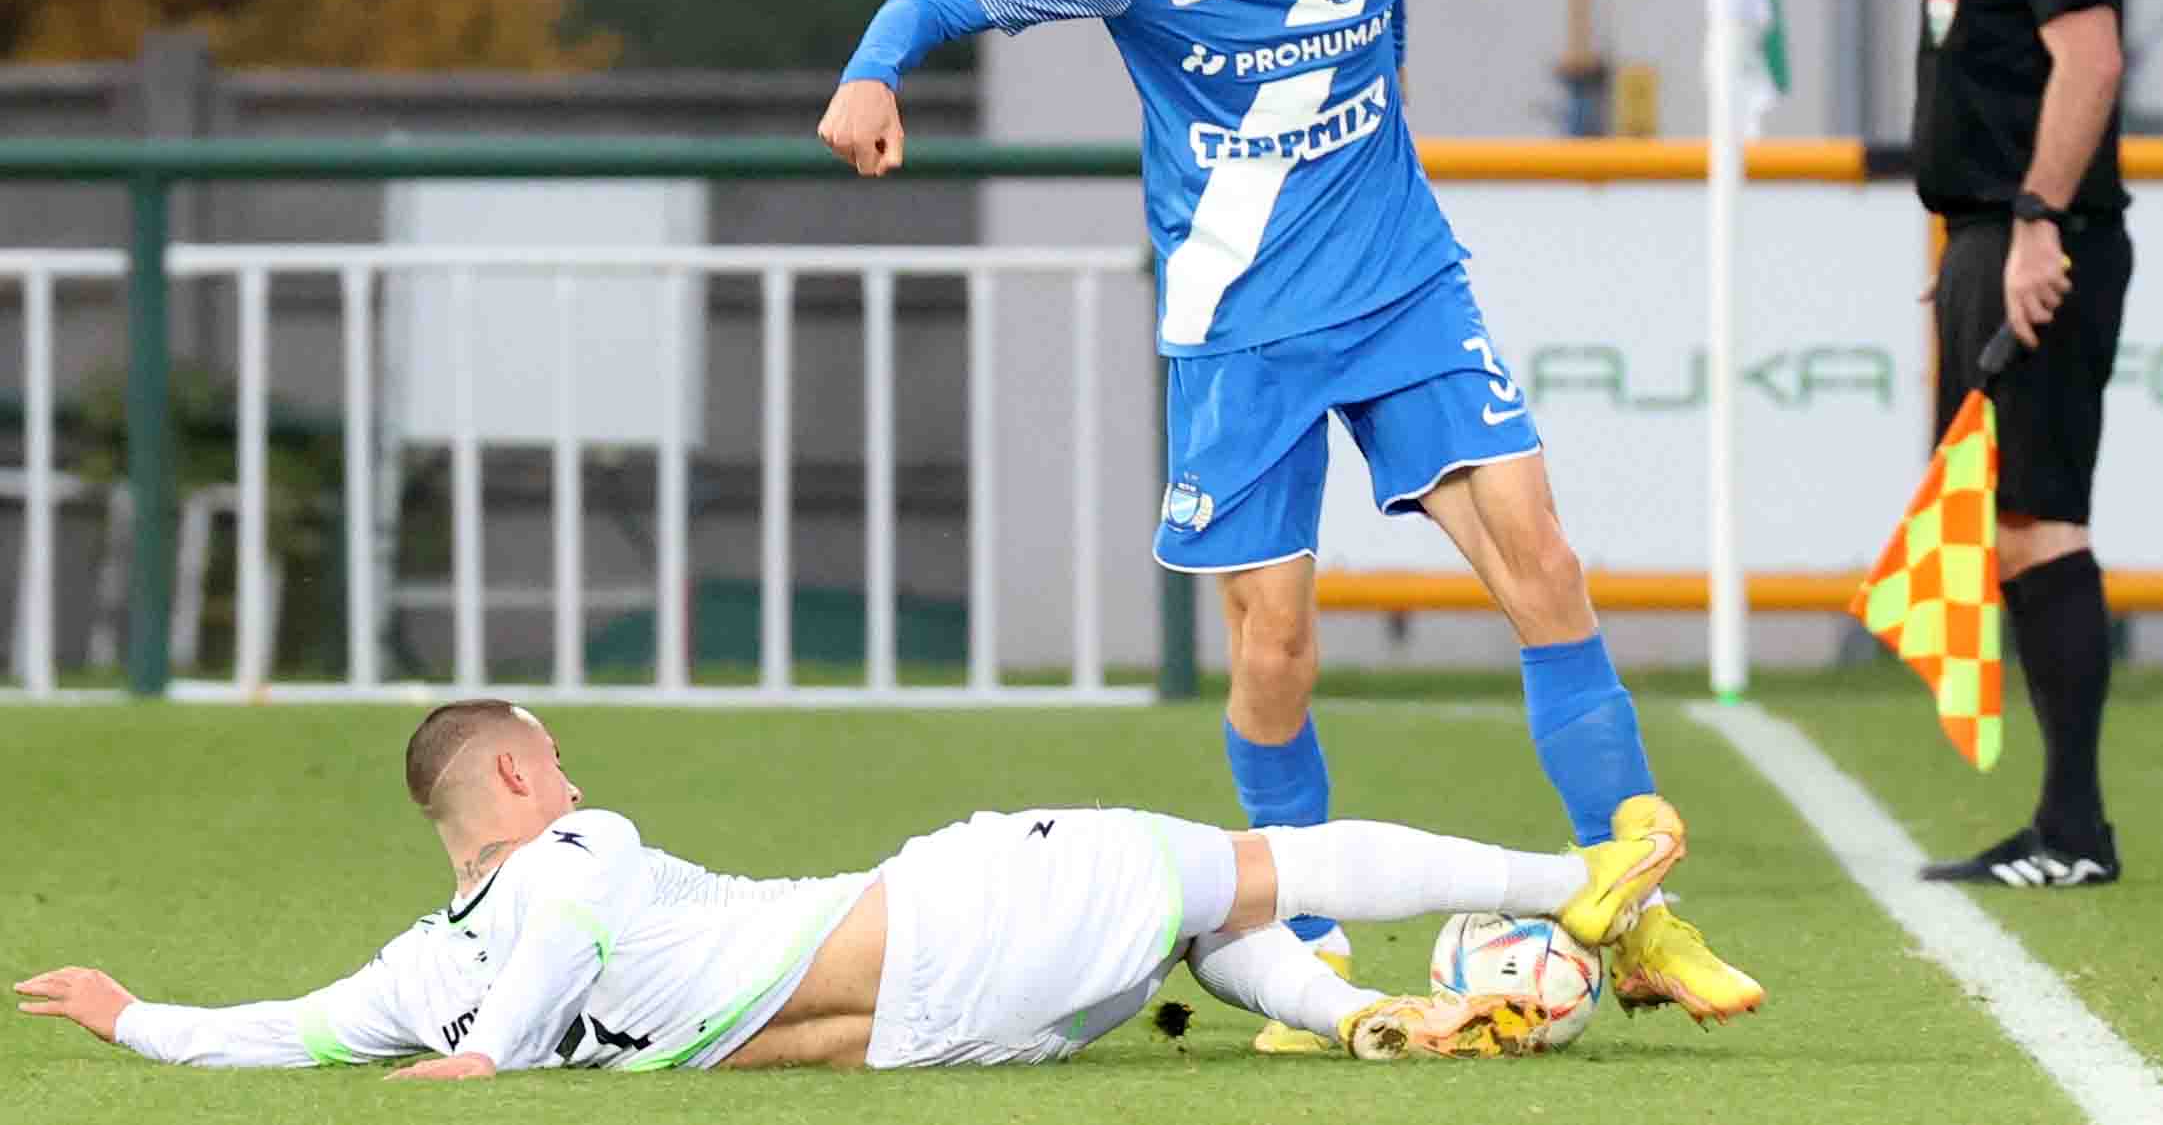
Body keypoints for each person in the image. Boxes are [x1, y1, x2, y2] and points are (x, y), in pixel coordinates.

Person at [816, 0, 1760, 1038]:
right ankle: (1306, 942)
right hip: (1239, 328)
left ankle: (1638, 911)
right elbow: (936, 0)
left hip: (1401, 288)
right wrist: (872, 72)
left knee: (1543, 558)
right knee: (1277, 646)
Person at [16, 700, 1689, 1075]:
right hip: (960, 914)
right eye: (556, 758)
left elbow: (292, 1026)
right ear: (514, 782)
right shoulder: (580, 852)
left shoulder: (419, 968)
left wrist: (134, 1013)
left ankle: (1361, 1012)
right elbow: (565, 930)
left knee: (1207, 920)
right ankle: (1578, 875)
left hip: (950, 1036)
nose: (576, 780)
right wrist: (490, 1054)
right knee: (1259, 865)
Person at [1910, 0, 2131, 889]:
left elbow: (2089, 61)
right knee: (2003, 527)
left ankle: (2074, 830)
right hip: (1989, 238)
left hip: (2038, 236)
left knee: (2041, 521)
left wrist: (2036, 223)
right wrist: (1970, 246)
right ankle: (2064, 821)